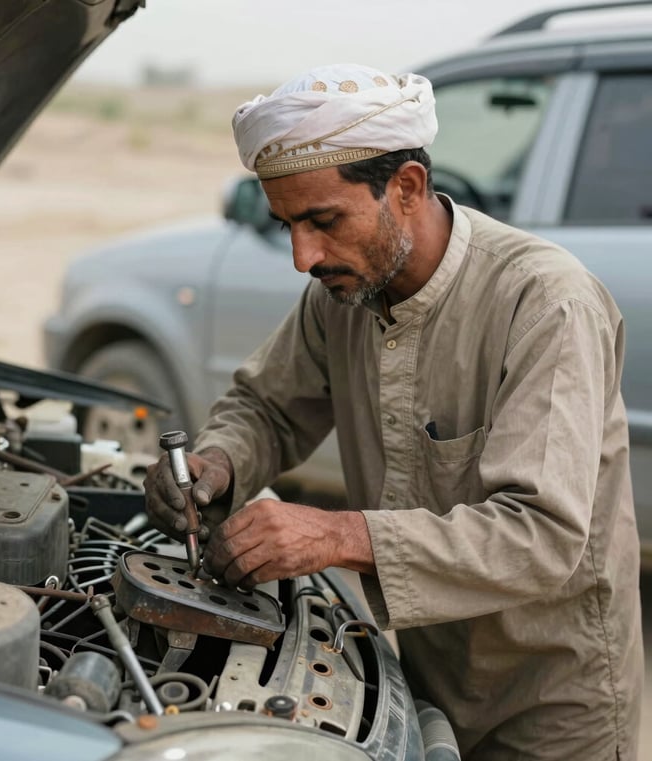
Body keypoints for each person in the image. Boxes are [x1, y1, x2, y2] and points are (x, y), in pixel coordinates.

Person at [143, 64, 643, 759]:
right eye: (288, 225)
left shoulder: (545, 302)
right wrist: (218, 464)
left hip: (555, 705)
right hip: (428, 677)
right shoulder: (341, 296)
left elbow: (541, 535)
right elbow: (266, 406)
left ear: (405, 187)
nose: (302, 256)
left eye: (322, 221)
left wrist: (336, 535)